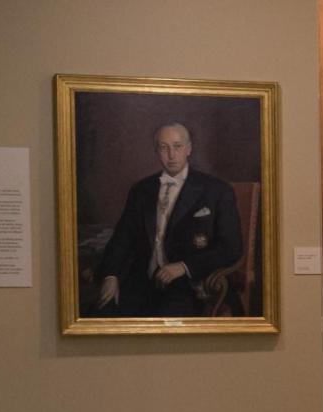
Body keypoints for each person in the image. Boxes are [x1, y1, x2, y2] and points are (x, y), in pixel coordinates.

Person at [93, 122, 242, 317]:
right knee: (99, 314)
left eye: (177, 146)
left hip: (190, 286)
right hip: (142, 283)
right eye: (164, 148)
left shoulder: (217, 190)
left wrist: (184, 267)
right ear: (156, 151)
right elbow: (122, 238)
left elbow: (231, 247)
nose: (171, 155)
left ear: (189, 149)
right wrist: (110, 275)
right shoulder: (141, 190)